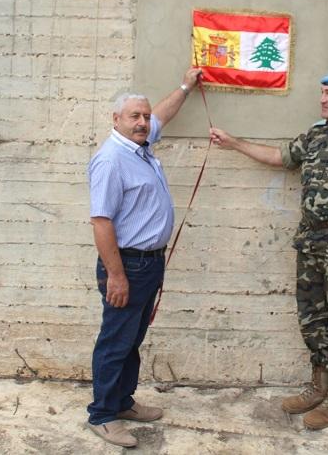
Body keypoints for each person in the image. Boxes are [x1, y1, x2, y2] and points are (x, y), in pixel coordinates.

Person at [209, 70, 328, 430]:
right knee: (311, 317)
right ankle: (318, 387)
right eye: (322, 92)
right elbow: (280, 157)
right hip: (310, 242)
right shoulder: (316, 133)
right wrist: (234, 143)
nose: (322, 99)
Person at [86, 67, 202, 448]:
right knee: (115, 340)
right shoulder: (111, 160)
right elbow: (101, 222)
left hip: (149, 263)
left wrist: (185, 86)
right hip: (127, 265)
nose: (142, 122)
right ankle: (102, 415)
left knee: (133, 337)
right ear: (116, 119)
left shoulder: (139, 144)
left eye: (145, 116)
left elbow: (163, 114)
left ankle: (123, 401)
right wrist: (116, 275)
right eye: (134, 116)